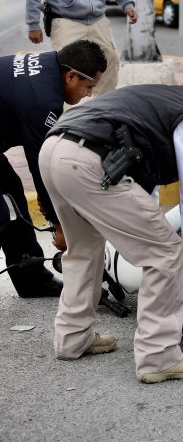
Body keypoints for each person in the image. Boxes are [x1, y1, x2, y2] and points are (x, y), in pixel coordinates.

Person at [38, 81, 183, 384]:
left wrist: (150, 227)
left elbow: (146, 187)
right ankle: (158, 357)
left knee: (83, 249)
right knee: (166, 252)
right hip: (89, 161)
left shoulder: (165, 101)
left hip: (55, 149)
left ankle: (72, 337)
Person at [0, 40, 106, 298]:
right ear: (71, 76)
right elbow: (42, 168)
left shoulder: (47, 66)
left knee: (11, 192)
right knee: (3, 211)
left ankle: (32, 279)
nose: (88, 94)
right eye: (88, 86)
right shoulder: (43, 99)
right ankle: (31, 278)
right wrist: (59, 224)